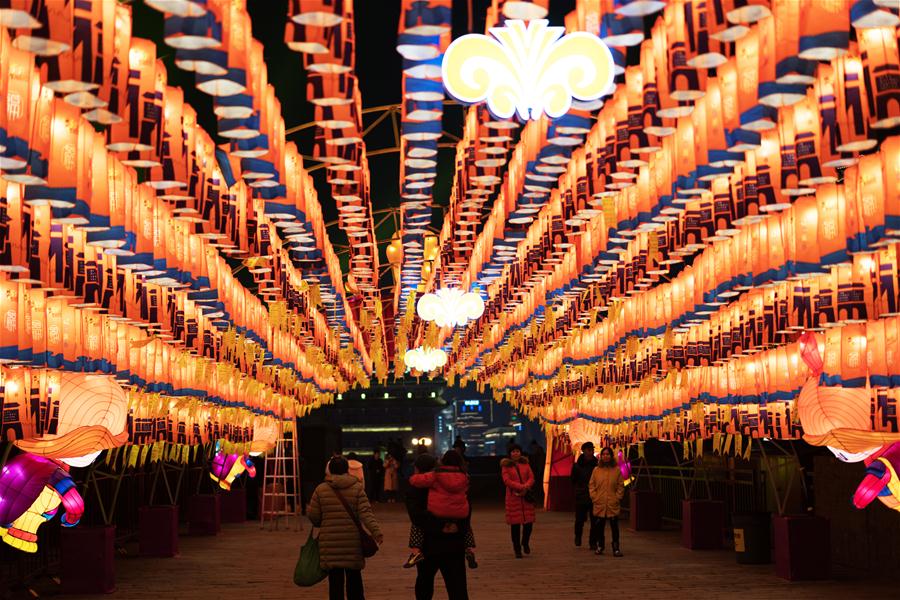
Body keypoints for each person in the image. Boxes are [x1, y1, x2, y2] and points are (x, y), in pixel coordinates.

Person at [308, 456, 384, 600]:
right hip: (352, 542)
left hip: (329, 543)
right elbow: (366, 514)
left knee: (335, 582)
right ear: (346, 469)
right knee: (354, 578)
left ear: (329, 470)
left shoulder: (321, 489)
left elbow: (314, 517)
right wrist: (376, 532)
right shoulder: (357, 488)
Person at [406, 453, 472, 600]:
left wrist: (439, 525)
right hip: (455, 539)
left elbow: (416, 516)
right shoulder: (462, 479)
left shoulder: (418, 486)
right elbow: (467, 509)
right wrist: (456, 525)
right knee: (457, 585)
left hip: (429, 540)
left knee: (424, 582)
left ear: (417, 468)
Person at [500, 443, 536, 558]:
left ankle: (525, 543)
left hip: (526, 498)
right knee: (515, 526)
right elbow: (506, 481)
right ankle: (517, 549)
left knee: (529, 524)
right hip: (513, 498)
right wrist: (521, 487)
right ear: (509, 454)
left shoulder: (525, 464)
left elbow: (531, 477)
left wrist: (526, 487)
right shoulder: (506, 466)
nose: (515, 453)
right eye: (513, 451)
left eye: (517, 451)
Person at [589, 446, 625, 557]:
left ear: (611, 456)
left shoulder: (617, 470)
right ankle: (600, 546)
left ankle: (616, 547)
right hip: (599, 503)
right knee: (599, 526)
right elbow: (592, 485)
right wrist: (595, 497)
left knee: (614, 527)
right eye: (603, 454)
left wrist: (618, 497)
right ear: (601, 456)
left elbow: (620, 485)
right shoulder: (596, 470)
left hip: (612, 503)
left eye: (608, 454)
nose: (605, 456)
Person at [571, 441, 598, 549]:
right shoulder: (577, 466)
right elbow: (573, 480)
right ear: (583, 451)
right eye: (588, 450)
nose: (590, 452)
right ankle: (578, 536)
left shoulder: (597, 465)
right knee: (579, 519)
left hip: (594, 496)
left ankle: (593, 542)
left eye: (592, 450)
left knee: (594, 520)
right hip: (581, 495)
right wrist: (578, 491)